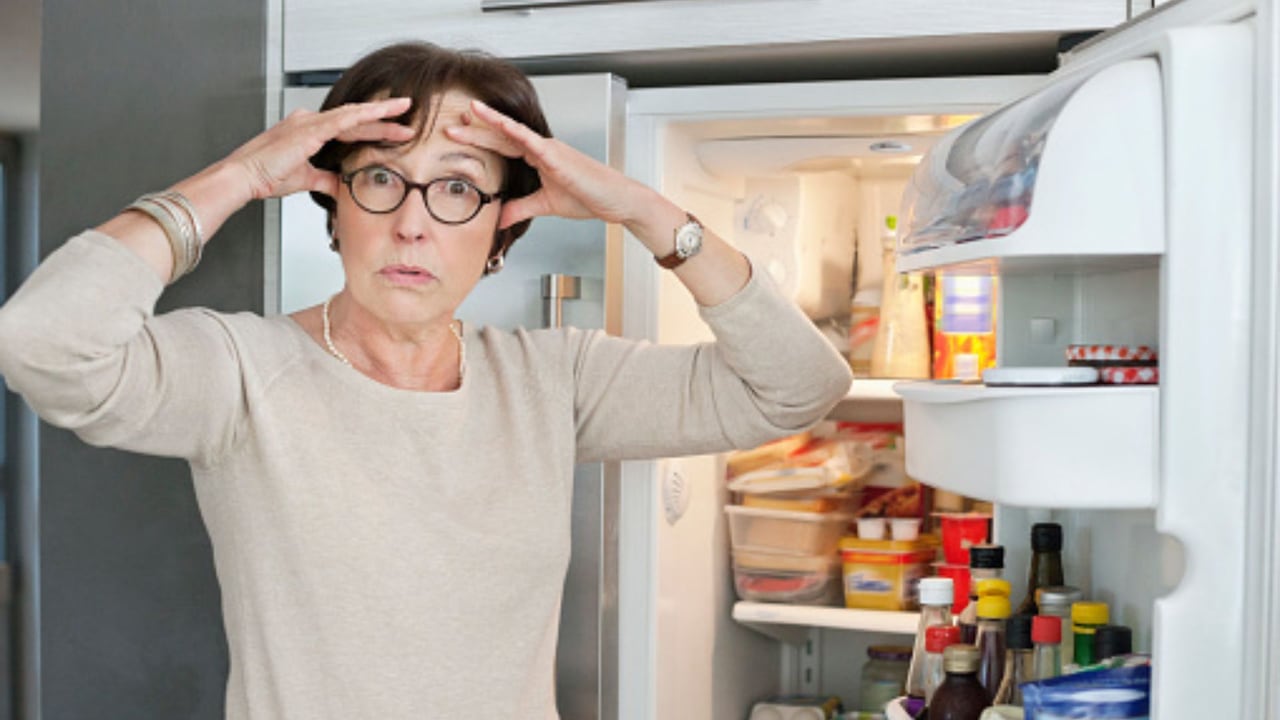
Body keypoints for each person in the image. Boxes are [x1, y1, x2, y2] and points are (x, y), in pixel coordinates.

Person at [0, 42, 852, 718]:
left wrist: (646, 213)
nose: (412, 225)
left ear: (500, 233)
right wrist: (238, 178)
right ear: (334, 205)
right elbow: (42, 343)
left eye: (456, 189)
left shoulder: (554, 378)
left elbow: (796, 388)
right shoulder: (240, 375)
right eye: (380, 179)